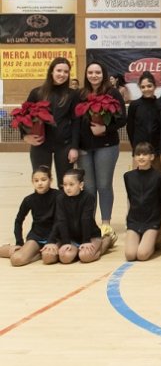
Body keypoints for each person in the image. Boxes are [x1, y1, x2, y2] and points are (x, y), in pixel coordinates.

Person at [77, 61, 126, 228]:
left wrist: (105, 128)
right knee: (88, 188)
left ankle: (106, 223)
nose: (94, 75)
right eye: (90, 72)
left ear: (103, 74)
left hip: (107, 146)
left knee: (104, 185)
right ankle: (89, 223)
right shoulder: (81, 94)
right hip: (84, 148)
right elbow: (75, 121)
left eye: (97, 72)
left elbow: (122, 119)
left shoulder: (112, 92)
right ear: (86, 75)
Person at [22, 57, 79, 185]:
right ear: (51, 71)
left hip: (64, 146)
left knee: (65, 185)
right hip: (41, 145)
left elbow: (76, 122)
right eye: (59, 70)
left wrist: (74, 147)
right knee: (41, 184)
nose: (62, 74)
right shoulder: (37, 93)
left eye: (66, 72)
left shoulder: (73, 95)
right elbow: (23, 116)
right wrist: (25, 135)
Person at [42, 168, 116, 264]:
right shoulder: (60, 198)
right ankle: (77, 252)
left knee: (85, 257)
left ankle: (106, 241)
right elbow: (60, 220)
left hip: (90, 235)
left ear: (81, 185)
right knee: (62, 258)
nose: (67, 188)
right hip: (70, 237)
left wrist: (86, 241)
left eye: (71, 184)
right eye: (65, 185)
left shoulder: (88, 197)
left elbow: (86, 219)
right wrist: (60, 242)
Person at [0, 166, 58, 266]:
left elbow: (60, 221)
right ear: (32, 182)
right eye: (36, 180)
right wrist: (19, 242)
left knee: (48, 258)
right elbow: (18, 221)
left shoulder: (58, 196)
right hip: (36, 237)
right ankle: (12, 249)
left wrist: (52, 241)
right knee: (16, 260)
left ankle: (38, 254)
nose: (40, 183)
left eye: (43, 180)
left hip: (55, 237)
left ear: (50, 180)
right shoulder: (29, 200)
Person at [123, 142, 161, 262]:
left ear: (152, 157)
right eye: (138, 154)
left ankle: (158, 237)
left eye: (145, 154)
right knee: (130, 255)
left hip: (152, 220)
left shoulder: (160, 176)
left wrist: (157, 221)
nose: (141, 157)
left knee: (142, 255)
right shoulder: (128, 176)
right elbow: (131, 199)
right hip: (134, 220)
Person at [126, 71, 161, 170]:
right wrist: (135, 147)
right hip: (139, 148)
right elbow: (130, 128)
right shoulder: (134, 105)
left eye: (149, 86)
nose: (146, 89)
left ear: (155, 86)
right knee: (137, 176)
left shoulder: (160, 104)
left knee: (156, 177)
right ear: (140, 87)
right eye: (143, 87)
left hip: (156, 149)